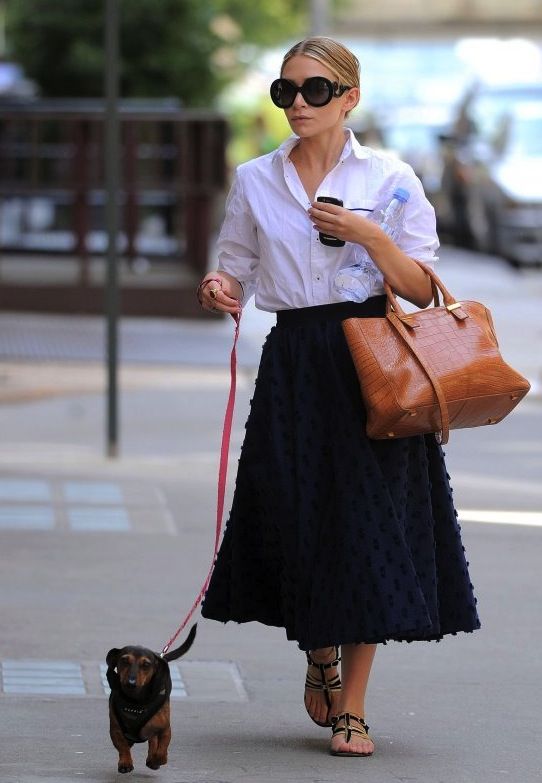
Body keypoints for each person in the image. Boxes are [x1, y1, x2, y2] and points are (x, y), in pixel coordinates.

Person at [197, 37, 480, 758]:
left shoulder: (390, 176)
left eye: (314, 90)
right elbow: (237, 267)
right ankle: (317, 649)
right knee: (299, 518)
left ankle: (352, 706)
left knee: (368, 530)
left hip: (374, 361)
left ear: (349, 98)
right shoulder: (256, 179)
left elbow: (422, 287)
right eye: (285, 91)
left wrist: (367, 235)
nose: (297, 103)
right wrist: (222, 289)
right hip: (294, 360)